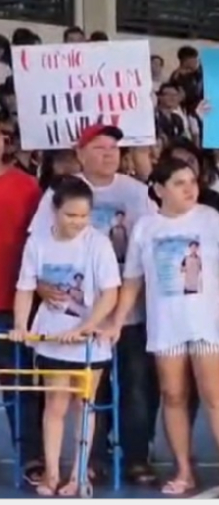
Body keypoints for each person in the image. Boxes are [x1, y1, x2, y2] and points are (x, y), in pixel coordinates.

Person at [103, 158, 219, 498]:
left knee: (217, 399)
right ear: (158, 190)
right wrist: (117, 322)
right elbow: (132, 281)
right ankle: (183, 469)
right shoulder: (145, 227)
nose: (189, 188)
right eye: (179, 183)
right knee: (173, 397)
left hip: (207, 324)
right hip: (165, 325)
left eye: (192, 181)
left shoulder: (210, 219)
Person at [29, 123, 159, 483]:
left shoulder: (136, 192)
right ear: (80, 152)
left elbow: (153, 242)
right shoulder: (61, 192)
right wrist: (38, 285)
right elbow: (38, 246)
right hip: (73, 313)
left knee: (135, 383)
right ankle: (92, 459)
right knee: (87, 390)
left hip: (130, 306)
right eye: (100, 147)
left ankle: (137, 456)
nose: (109, 154)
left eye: (114, 148)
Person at [11, 176, 120, 496]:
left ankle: (78, 474)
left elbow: (110, 294)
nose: (78, 222)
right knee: (54, 405)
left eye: (83, 216)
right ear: (55, 211)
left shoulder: (98, 243)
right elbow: (25, 287)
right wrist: (22, 325)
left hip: (88, 341)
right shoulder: (39, 242)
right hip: (52, 337)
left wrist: (86, 327)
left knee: (83, 406)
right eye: (70, 215)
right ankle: (52, 473)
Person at [0, 133, 43, 484]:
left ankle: (32, 458)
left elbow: (42, 240)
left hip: (12, 305)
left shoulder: (28, 186)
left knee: (21, 387)